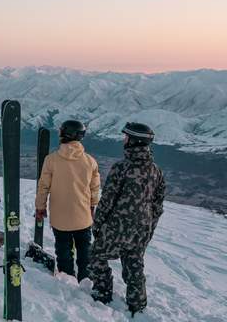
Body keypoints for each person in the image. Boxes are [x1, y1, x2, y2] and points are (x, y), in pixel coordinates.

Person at [89, 122, 166, 317]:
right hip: (142, 229)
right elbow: (157, 205)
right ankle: (137, 305)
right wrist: (149, 229)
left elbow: (107, 200)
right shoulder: (156, 171)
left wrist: (98, 225)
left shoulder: (121, 168)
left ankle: (103, 291)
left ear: (134, 141)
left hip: (116, 227)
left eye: (126, 138)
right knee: (134, 264)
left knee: (97, 256)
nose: (124, 140)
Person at [35, 120, 100, 282]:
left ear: (64, 134)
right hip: (83, 216)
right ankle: (86, 279)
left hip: (60, 216)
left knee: (63, 250)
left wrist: (40, 208)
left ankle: (67, 279)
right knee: (85, 250)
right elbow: (95, 188)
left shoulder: (51, 160)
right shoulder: (90, 161)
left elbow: (43, 187)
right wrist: (92, 206)